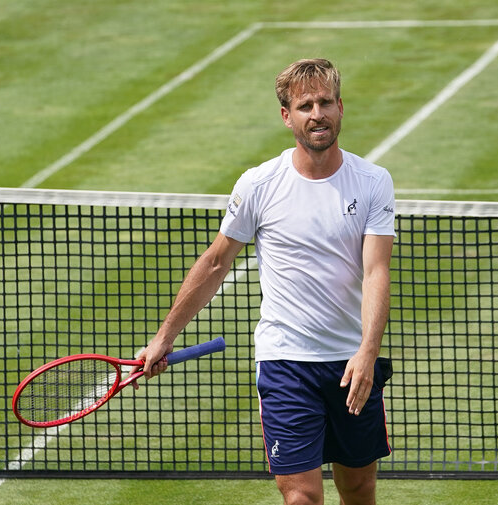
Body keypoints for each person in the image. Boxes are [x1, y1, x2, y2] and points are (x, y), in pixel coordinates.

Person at [135, 58, 396, 505]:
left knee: (358, 489)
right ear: (286, 116)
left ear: (340, 107)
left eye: (325, 102)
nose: (317, 114)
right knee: (301, 498)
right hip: (285, 363)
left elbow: (376, 271)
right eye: (305, 105)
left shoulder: (373, 182)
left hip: (350, 362)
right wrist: (164, 337)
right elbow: (216, 263)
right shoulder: (259, 184)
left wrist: (368, 352)